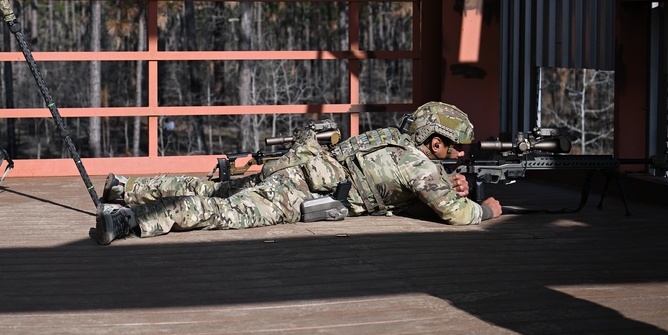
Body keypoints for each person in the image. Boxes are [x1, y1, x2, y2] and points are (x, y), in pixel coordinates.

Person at [93, 101, 503, 245]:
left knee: (215, 188)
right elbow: (456, 214)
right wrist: (486, 209)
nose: (455, 154)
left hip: (297, 169)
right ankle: (129, 220)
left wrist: (443, 186)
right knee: (223, 212)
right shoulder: (420, 163)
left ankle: (127, 188)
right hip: (299, 192)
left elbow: (396, 191)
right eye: (453, 147)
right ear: (435, 143)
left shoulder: (389, 139)